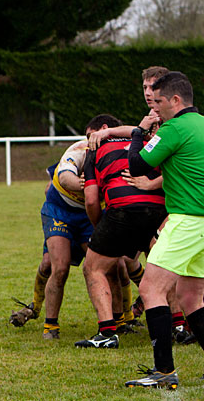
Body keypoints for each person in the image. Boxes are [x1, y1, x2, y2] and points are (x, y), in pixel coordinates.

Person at [124, 71, 204, 389]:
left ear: (175, 100)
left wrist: (139, 131)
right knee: (191, 297)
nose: (155, 108)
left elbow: (137, 165)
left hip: (187, 220)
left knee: (151, 290)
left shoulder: (174, 128)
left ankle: (163, 371)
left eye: (159, 101)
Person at [10, 115, 121, 339]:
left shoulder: (117, 155)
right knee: (56, 266)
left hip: (89, 216)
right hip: (60, 212)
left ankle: (121, 319)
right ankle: (46, 321)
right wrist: (85, 185)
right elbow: (63, 177)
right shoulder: (80, 150)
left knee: (110, 266)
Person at [75, 112, 167, 350]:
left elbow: (92, 201)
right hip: (160, 209)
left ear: (100, 132)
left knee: (93, 267)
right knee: (164, 265)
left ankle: (107, 332)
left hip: (123, 210)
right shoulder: (148, 141)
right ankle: (177, 326)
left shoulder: (93, 152)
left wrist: (100, 229)